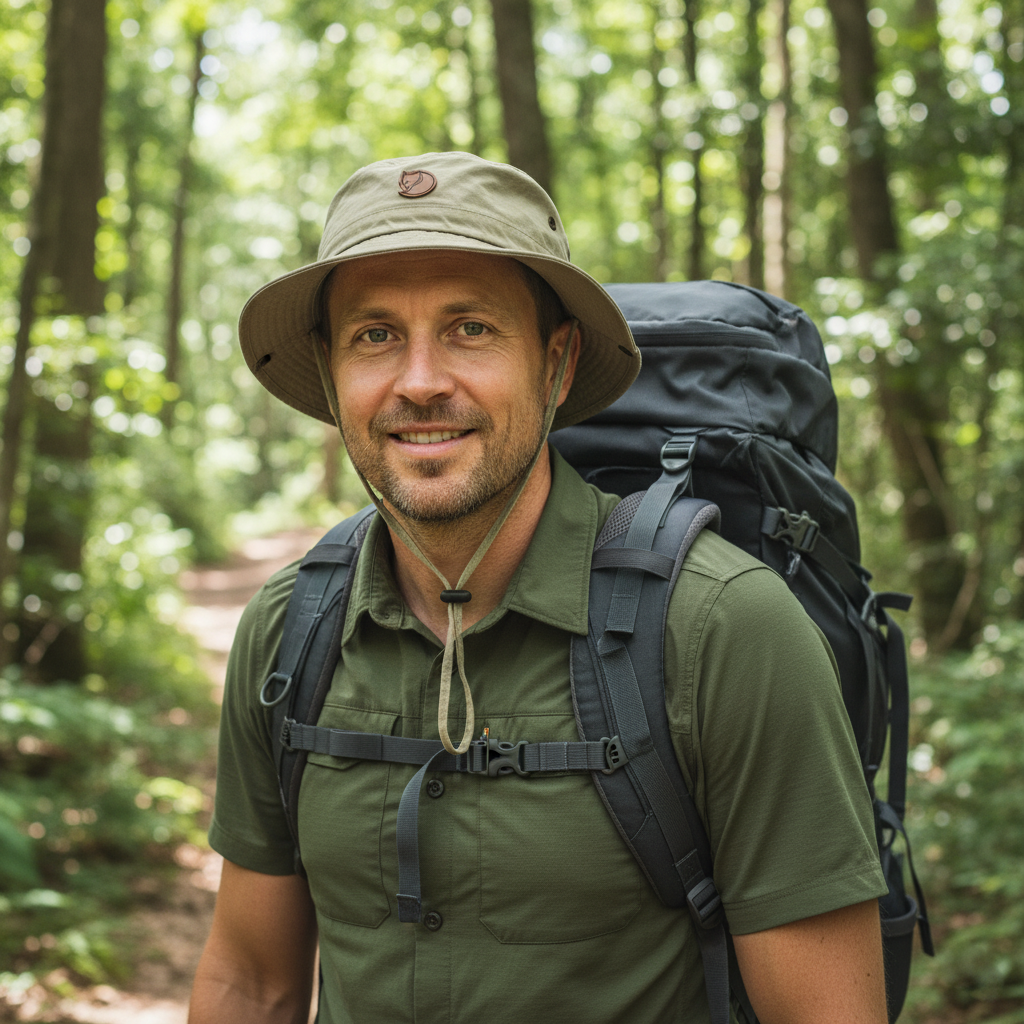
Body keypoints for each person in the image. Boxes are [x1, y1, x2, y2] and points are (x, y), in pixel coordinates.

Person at [188, 151, 889, 1024]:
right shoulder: (291, 628)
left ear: (557, 366)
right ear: (332, 374)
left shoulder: (722, 630)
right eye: (375, 335)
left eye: (470, 328)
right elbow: (251, 982)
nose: (419, 382)